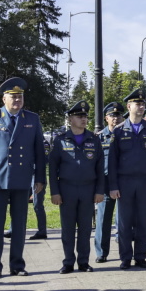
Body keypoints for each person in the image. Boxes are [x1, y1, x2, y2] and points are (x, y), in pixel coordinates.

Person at [0, 77, 46, 278]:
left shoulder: (32, 118)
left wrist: (40, 178)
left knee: (19, 225)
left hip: (22, 179)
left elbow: (40, 151)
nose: (17, 100)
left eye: (20, 96)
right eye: (13, 97)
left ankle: (17, 264)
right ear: (4, 98)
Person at [108, 88, 146, 269]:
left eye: (143, 104)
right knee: (124, 223)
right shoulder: (119, 131)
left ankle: (140, 256)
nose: (141, 107)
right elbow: (113, 162)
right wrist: (113, 186)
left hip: (145, 182)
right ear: (128, 106)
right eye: (137, 104)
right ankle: (125, 257)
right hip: (124, 183)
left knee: (142, 221)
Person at [49, 101, 105, 273]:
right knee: (67, 228)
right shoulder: (60, 140)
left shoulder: (94, 140)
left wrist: (99, 191)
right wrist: (55, 192)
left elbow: (100, 168)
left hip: (88, 189)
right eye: (79, 116)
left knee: (85, 228)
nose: (83, 119)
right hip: (67, 189)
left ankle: (83, 261)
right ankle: (68, 262)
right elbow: (52, 169)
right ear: (70, 119)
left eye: (85, 116)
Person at [95, 102, 123, 263]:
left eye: (119, 115)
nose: (116, 118)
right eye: (112, 115)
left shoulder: (126, 136)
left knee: (125, 219)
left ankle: (125, 252)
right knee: (103, 218)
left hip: (123, 181)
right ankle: (101, 252)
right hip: (105, 183)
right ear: (106, 118)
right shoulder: (98, 138)